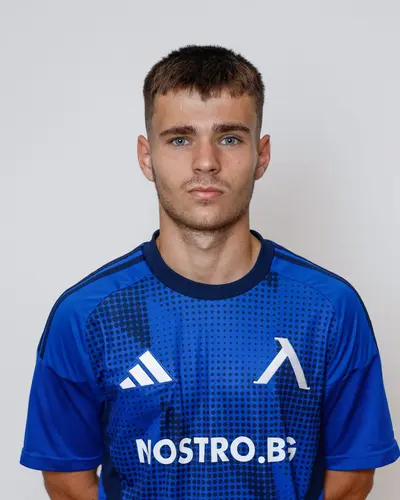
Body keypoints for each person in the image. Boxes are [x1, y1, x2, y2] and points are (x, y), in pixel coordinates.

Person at [20, 44, 399, 500]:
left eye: (230, 138)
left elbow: (352, 476)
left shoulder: (329, 308)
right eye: (180, 139)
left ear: (262, 155)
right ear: (146, 157)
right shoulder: (88, 314)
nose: (206, 162)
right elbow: (66, 478)